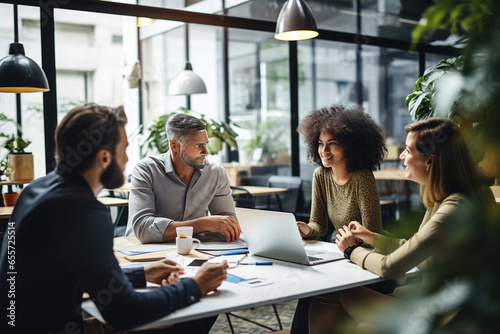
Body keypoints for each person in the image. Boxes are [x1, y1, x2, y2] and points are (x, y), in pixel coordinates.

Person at [0, 103, 228, 333]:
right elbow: (125, 312)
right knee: (185, 320)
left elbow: (76, 273)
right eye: (125, 148)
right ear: (104, 158)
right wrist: (195, 286)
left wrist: (141, 274)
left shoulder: (36, 189)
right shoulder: (85, 212)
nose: (127, 158)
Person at [302, 118, 495, 333]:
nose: (401, 156)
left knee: (327, 293)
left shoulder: (453, 208)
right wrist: (372, 237)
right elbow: (413, 246)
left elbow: (390, 267)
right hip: (436, 301)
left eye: (408, 150)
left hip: (442, 315)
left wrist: (351, 250)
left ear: (429, 161)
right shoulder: (445, 198)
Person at [126, 112, 241, 243]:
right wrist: (203, 224)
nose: (206, 151)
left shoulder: (216, 172)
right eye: (198, 146)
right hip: (142, 252)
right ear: (174, 146)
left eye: (205, 143)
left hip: (192, 249)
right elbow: (143, 229)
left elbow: (228, 223)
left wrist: (220, 227)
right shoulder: (146, 170)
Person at [295, 104, 386, 239]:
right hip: (340, 247)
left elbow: (373, 234)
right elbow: (318, 224)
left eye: (332, 143)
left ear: (349, 146)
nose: (324, 150)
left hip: (364, 251)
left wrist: (351, 248)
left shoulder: (362, 178)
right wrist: (308, 229)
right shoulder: (320, 175)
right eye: (320, 143)